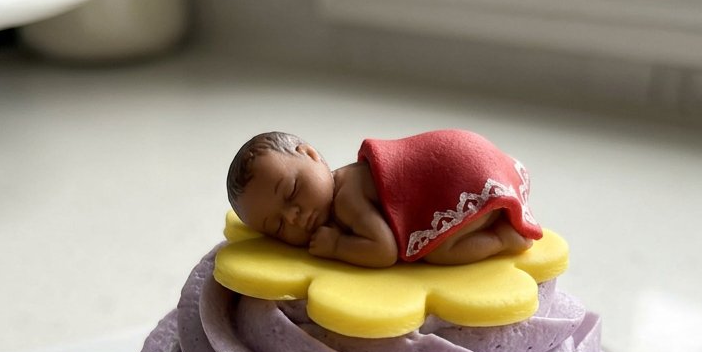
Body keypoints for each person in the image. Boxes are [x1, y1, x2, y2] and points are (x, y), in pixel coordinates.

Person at [226, 129, 542, 268]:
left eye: (291, 191)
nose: (293, 216)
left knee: (439, 250)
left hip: (464, 176)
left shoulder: (347, 198)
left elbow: (383, 250)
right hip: (468, 155)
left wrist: (337, 246)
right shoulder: (348, 180)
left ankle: (503, 238)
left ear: (309, 154)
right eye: (279, 226)